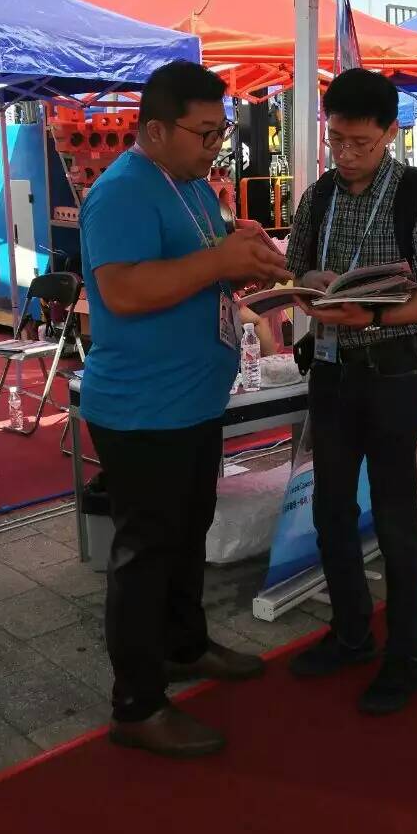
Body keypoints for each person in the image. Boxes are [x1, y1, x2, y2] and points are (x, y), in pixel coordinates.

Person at [80, 59, 288, 759]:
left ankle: (184, 644)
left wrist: (248, 259)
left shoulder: (192, 184)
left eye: (219, 132)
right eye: (204, 134)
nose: (215, 147)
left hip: (193, 398)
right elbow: (123, 292)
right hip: (143, 408)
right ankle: (136, 704)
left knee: (187, 531)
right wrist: (221, 263)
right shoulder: (121, 193)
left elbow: (205, 264)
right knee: (146, 553)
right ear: (155, 130)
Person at [285, 68, 417, 715]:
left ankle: (406, 655)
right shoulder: (319, 196)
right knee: (331, 509)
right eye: (336, 139)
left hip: (391, 373)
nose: (347, 154)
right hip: (331, 372)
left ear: (389, 133)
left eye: (360, 142)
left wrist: (375, 317)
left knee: (393, 517)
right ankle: (351, 633)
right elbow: (295, 268)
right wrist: (312, 285)